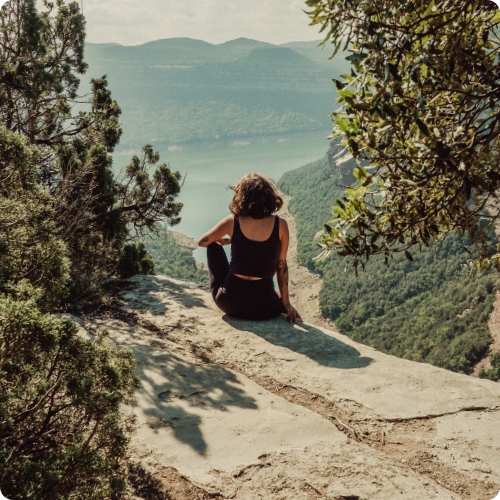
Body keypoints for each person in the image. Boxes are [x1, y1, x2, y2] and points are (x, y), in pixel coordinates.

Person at [198, 173, 303, 323]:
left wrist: (230, 239)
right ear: (268, 196)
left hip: (230, 303)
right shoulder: (281, 225)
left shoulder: (232, 221)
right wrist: (286, 304)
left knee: (213, 246)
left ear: (242, 197)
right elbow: (281, 267)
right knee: (271, 291)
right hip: (265, 308)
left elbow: (202, 242)